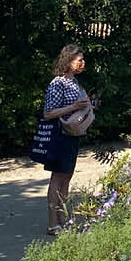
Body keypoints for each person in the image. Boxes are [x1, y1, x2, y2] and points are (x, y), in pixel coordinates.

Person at [36, 45, 93, 234]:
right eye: (79, 60)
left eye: (83, 60)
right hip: (60, 136)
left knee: (66, 178)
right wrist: (75, 106)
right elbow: (48, 113)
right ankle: (53, 224)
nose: (82, 63)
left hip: (72, 136)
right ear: (68, 61)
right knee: (57, 178)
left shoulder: (74, 82)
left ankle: (63, 220)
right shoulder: (57, 83)